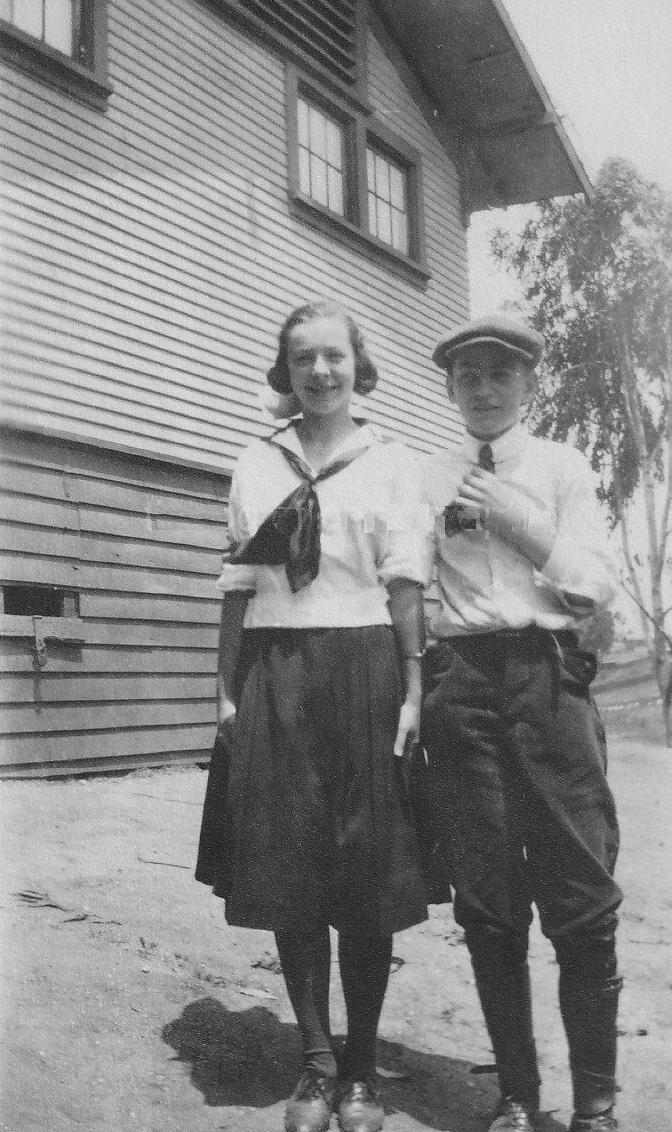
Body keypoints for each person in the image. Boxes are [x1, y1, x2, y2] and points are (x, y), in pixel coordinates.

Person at [195, 299, 431, 1132]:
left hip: (365, 666)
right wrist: (225, 689)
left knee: (364, 873)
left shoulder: (391, 459)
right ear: (285, 372)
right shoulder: (254, 461)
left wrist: (411, 688)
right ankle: (315, 1067)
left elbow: (405, 583)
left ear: (357, 365)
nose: (321, 372)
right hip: (276, 668)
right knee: (293, 870)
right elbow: (236, 586)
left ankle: (363, 1070)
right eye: (304, 360)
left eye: (334, 357)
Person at [419, 313, 623, 1132]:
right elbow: (402, 576)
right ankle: (515, 1095)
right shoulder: (427, 472)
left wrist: (516, 521)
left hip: (547, 679)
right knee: (489, 900)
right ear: (450, 388)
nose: (483, 389)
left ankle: (595, 1105)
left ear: (529, 385)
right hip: (462, 681)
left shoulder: (561, 466)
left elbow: (594, 586)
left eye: (500, 374)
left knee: (579, 891)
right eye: (468, 376)